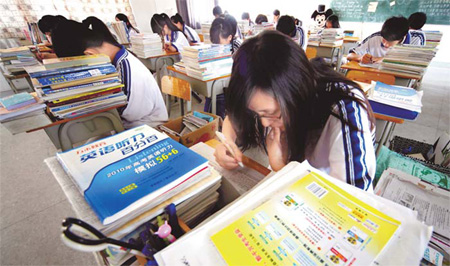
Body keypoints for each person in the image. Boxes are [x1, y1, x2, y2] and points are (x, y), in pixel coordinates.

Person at [214, 31, 376, 191]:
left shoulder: (344, 110)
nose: (264, 123)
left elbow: (354, 202)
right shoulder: (269, 96)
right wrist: (227, 142)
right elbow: (235, 118)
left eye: (271, 114)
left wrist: (281, 168)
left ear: (295, 94)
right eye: (258, 114)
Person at [51, 17, 168, 129]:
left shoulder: (129, 70)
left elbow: (133, 114)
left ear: (89, 55)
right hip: (130, 124)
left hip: (147, 126)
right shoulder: (117, 59)